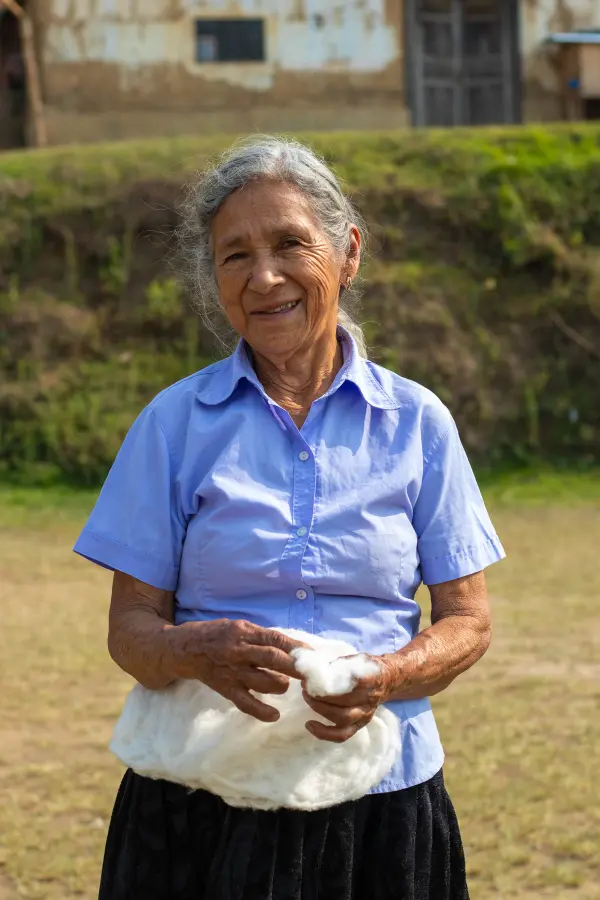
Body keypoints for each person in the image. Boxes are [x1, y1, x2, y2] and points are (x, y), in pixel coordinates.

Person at [74, 136, 505, 900]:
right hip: (201, 802)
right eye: (235, 255)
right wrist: (190, 650)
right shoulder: (173, 425)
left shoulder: (417, 423)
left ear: (348, 254)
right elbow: (130, 633)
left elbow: (468, 621)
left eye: (289, 244)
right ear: (214, 279)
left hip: (382, 800)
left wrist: (386, 675)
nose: (264, 276)